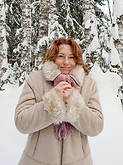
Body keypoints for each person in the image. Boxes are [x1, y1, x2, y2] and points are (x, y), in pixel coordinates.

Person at [15, 37, 103, 165]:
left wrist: (73, 101)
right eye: (61, 56)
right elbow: (21, 122)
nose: (66, 62)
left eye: (71, 57)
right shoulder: (35, 80)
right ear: (53, 57)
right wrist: (53, 100)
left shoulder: (89, 84)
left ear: (77, 59)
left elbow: (96, 127)